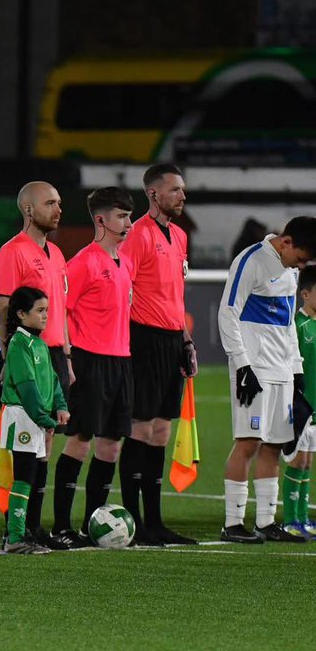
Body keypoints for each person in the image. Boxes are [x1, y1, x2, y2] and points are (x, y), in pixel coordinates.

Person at [219, 217, 316, 543]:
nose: (301, 265)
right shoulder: (251, 261)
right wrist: (243, 365)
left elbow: (288, 322)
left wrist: (297, 367)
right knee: (248, 443)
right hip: (254, 370)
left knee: (274, 445)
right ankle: (232, 523)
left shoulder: (289, 270)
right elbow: (228, 312)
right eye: (301, 258)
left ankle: (265, 522)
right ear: (286, 242)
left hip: (281, 372)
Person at [119, 163, 199, 546]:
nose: (182, 196)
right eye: (175, 190)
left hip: (171, 340)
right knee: (141, 427)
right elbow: (124, 288)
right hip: (143, 338)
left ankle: (155, 521)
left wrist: (185, 341)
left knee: (163, 430)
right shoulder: (137, 235)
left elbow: (176, 296)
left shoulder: (180, 236)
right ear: (153, 194)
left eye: (182, 190)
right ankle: (133, 522)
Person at [52, 187, 135, 545]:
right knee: (80, 441)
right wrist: (69, 358)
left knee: (111, 445)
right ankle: (62, 526)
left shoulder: (125, 260)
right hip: (89, 361)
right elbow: (61, 310)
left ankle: (93, 526)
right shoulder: (84, 262)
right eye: (121, 216)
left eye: (129, 216)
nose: (128, 222)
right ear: (101, 219)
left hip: (121, 361)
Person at [0, 180, 71, 549]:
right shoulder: (12, 252)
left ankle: (34, 528)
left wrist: (66, 358)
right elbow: (5, 307)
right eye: (50, 203)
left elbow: (61, 313)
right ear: (28, 209)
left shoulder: (56, 253)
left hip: (51, 356)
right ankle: (17, 530)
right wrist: (10, 358)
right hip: (23, 357)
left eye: (58, 203)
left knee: (44, 446)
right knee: (25, 449)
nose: (58, 209)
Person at [0, 287, 68, 554]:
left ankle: (29, 531)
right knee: (25, 476)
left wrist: (60, 407)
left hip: (37, 419)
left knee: (37, 475)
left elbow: (52, 381)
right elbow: (26, 387)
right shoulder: (18, 344)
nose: (45, 316)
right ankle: (14, 536)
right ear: (20, 313)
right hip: (23, 416)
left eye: (47, 311)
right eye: (39, 311)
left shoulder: (39, 344)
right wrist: (45, 419)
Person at [283, 264, 316, 538]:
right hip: (302, 407)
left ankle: (303, 518)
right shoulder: (298, 324)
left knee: (308, 462)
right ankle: (290, 519)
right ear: (305, 294)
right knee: (297, 460)